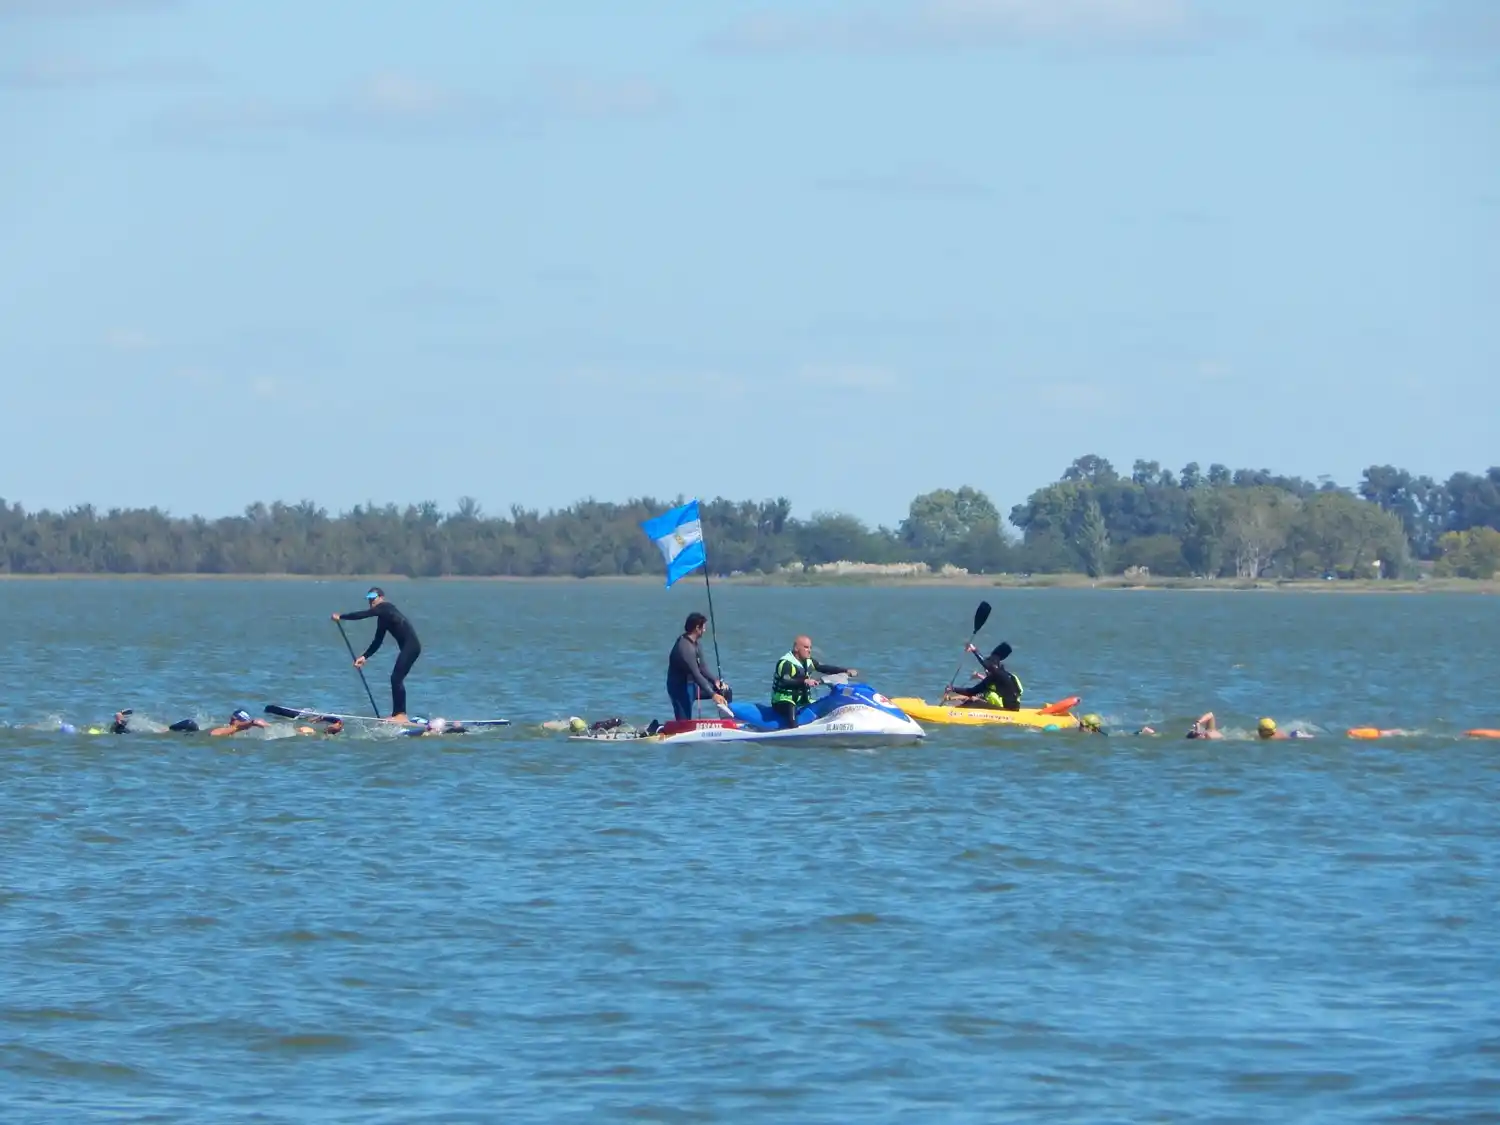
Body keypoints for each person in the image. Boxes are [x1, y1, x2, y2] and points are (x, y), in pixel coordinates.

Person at [333, 587, 421, 721]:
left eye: (373, 599)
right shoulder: (383, 617)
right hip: (409, 647)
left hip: (412, 646)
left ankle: (401, 715)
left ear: (381, 597)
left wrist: (341, 616)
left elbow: (363, 615)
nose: (371, 602)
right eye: (369, 600)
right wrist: (364, 657)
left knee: (396, 678)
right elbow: (378, 641)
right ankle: (396, 714)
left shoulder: (385, 607)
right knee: (396, 678)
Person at [770, 635, 857, 729]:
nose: (809, 650)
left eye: (810, 647)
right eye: (806, 647)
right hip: (783, 700)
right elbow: (785, 680)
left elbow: (823, 668)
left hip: (802, 700)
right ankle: (793, 731)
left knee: (823, 705)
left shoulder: (809, 661)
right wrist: (804, 681)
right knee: (792, 709)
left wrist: (845, 670)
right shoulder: (785, 663)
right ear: (796, 648)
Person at [667, 612, 728, 720]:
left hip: (694, 686)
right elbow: (696, 674)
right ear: (697, 628)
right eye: (703, 627)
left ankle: (727, 720)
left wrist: (715, 681)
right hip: (680, 689)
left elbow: (703, 668)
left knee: (725, 690)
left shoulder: (696, 644)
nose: (704, 630)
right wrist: (713, 694)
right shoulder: (684, 648)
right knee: (684, 723)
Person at [945, 642, 1024, 710]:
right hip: (1009, 708)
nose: (985, 670)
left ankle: (954, 714)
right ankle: (954, 710)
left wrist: (974, 650)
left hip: (1007, 711)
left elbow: (987, 664)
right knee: (971, 699)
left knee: (973, 701)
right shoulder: (995, 677)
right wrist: (952, 688)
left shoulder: (1000, 674)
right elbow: (971, 691)